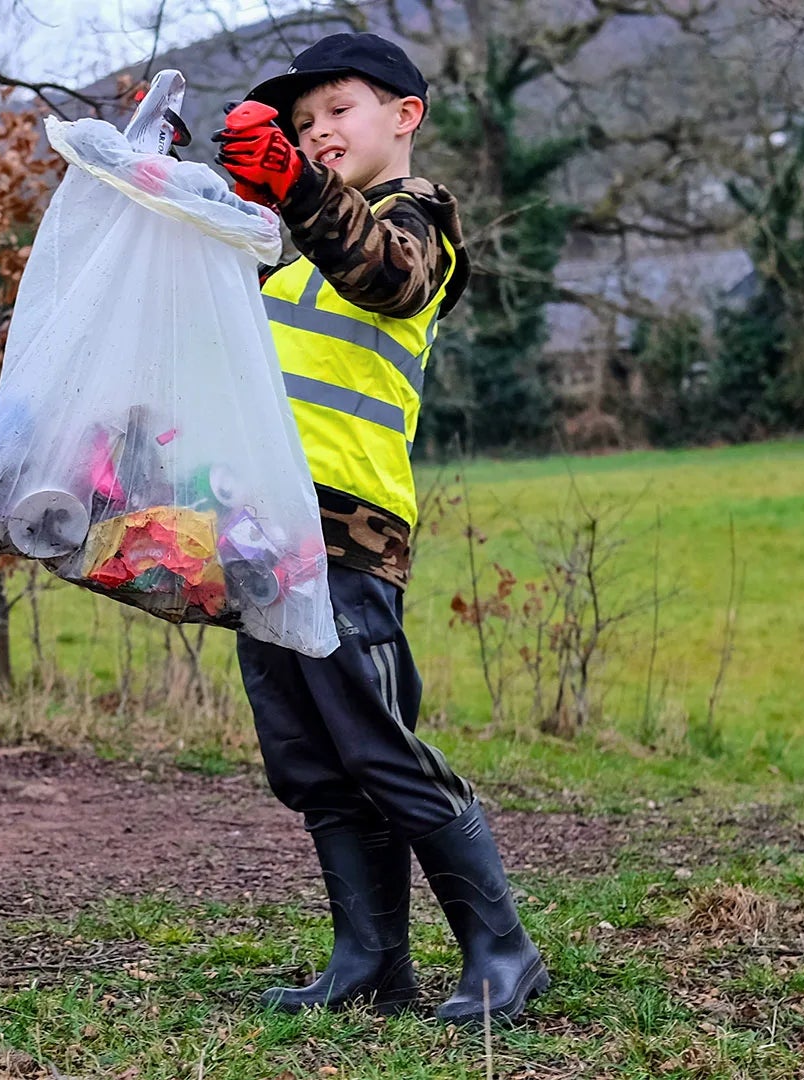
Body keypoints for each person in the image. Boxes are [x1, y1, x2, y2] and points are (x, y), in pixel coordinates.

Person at [212, 31, 549, 1024]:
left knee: (376, 745)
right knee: (310, 759)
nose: (317, 136)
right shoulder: (294, 260)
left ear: (406, 116)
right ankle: (370, 962)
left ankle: (502, 949)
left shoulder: (419, 223)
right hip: (263, 533)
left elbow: (386, 277)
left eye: (337, 115)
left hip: (347, 535)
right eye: (302, 127)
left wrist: (297, 191)